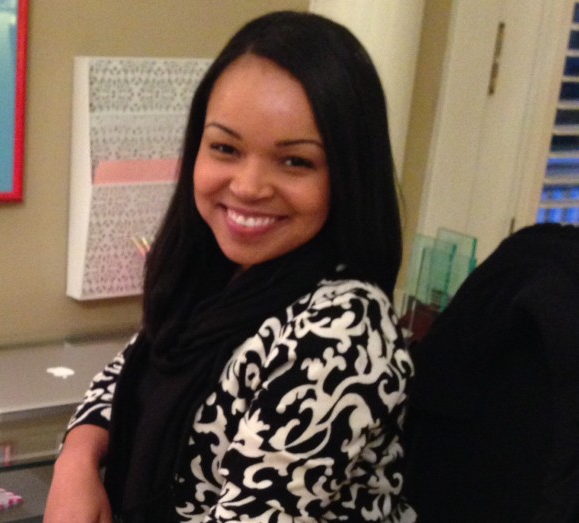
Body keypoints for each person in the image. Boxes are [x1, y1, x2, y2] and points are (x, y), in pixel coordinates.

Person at [45, 10, 415, 523]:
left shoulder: (343, 329)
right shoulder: (217, 273)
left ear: (348, 173)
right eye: (225, 148)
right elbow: (123, 376)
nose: (247, 186)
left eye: (295, 161)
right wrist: (77, 459)